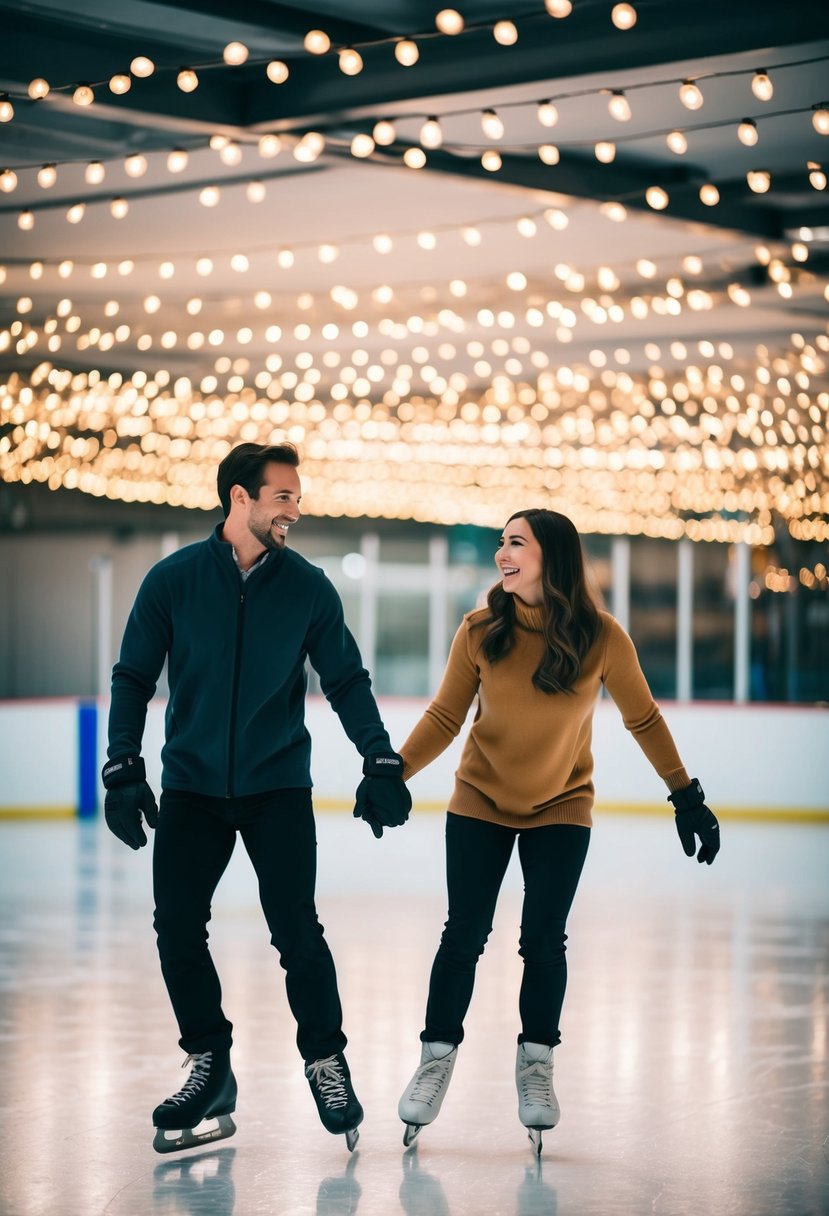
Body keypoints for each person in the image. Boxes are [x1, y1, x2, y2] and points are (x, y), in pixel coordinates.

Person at [101, 441, 411, 1154]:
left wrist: (380, 758)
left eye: (296, 498)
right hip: (192, 790)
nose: (294, 511)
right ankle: (209, 1063)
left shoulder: (307, 587)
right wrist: (122, 766)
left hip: (275, 789)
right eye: (283, 497)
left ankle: (326, 1060)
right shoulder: (172, 581)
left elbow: (346, 679)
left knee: (296, 931)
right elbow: (132, 677)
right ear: (240, 498)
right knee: (177, 926)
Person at [395, 509, 720, 1154]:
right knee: (463, 934)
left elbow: (644, 719)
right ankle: (435, 1060)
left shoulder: (602, 637)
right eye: (500, 544)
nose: (501, 555)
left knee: (543, 941)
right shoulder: (481, 629)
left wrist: (686, 794)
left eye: (515, 544)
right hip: (480, 799)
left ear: (554, 557)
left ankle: (537, 1065)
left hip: (562, 804)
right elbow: (445, 714)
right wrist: (393, 772)